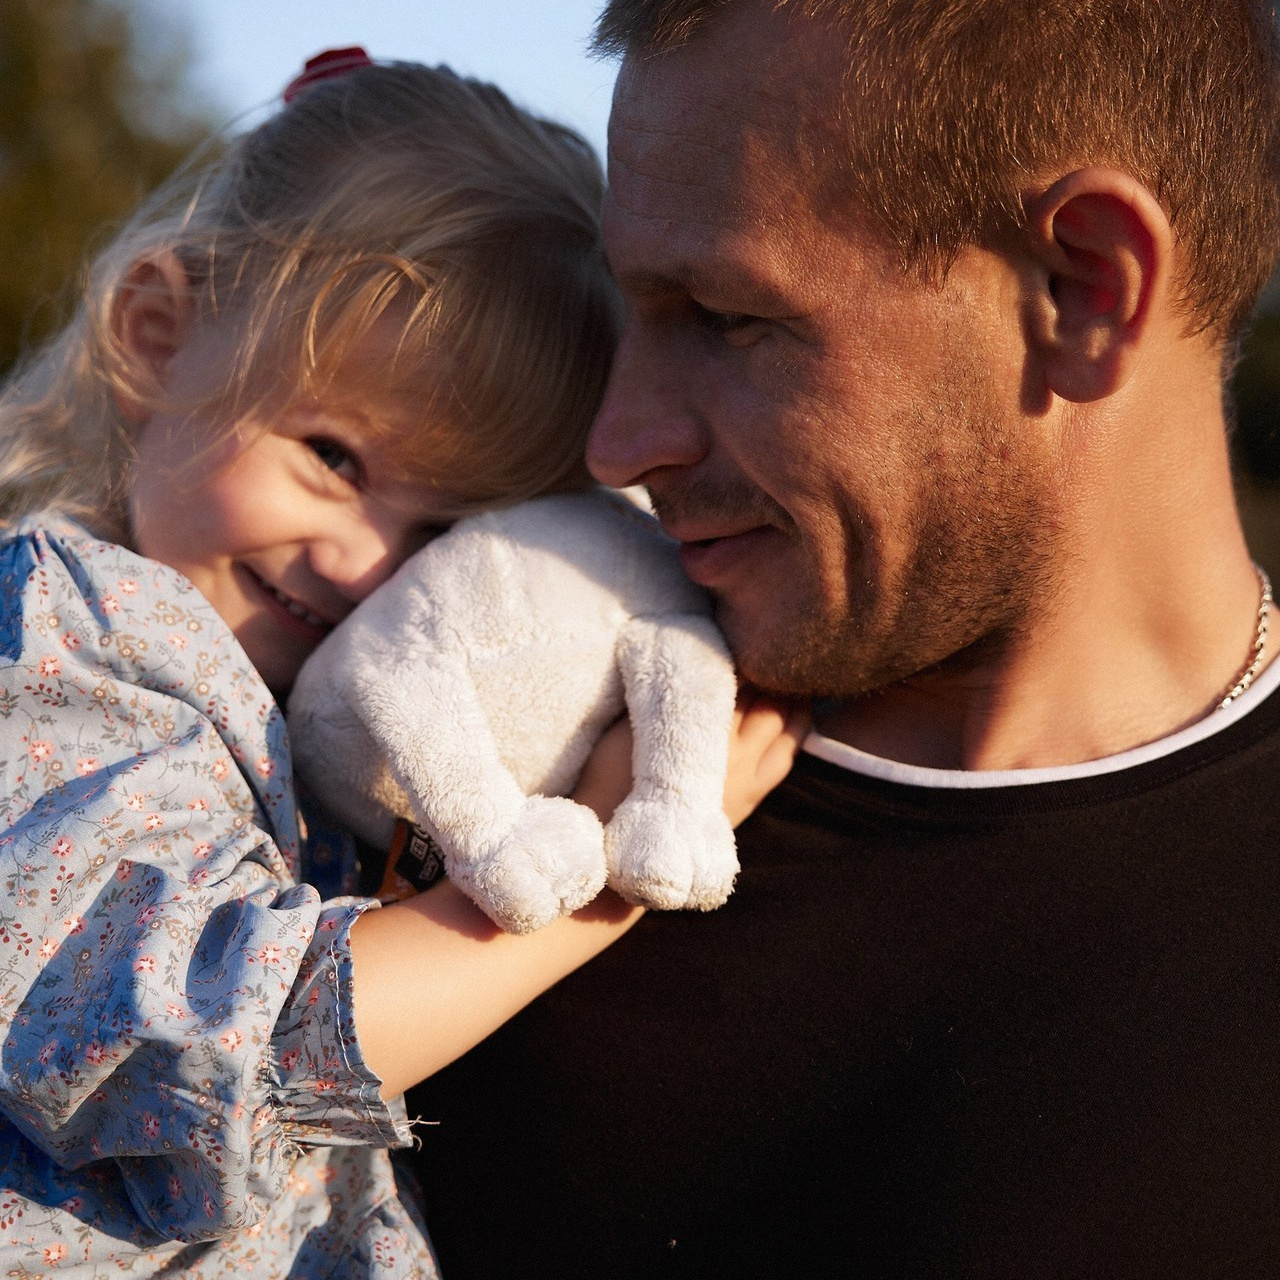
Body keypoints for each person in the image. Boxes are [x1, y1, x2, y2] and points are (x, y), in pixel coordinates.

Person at [405, 2, 1280, 1276]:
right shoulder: (474, 728)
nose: (617, 442)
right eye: (630, 305)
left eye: (725, 317)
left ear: (1085, 291)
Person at [0, 52, 800, 1277]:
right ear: (159, 338)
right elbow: (196, 1045)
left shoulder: (311, 715)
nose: (369, 564)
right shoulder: (61, 637)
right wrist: (600, 868)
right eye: (334, 454)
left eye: (448, 534)